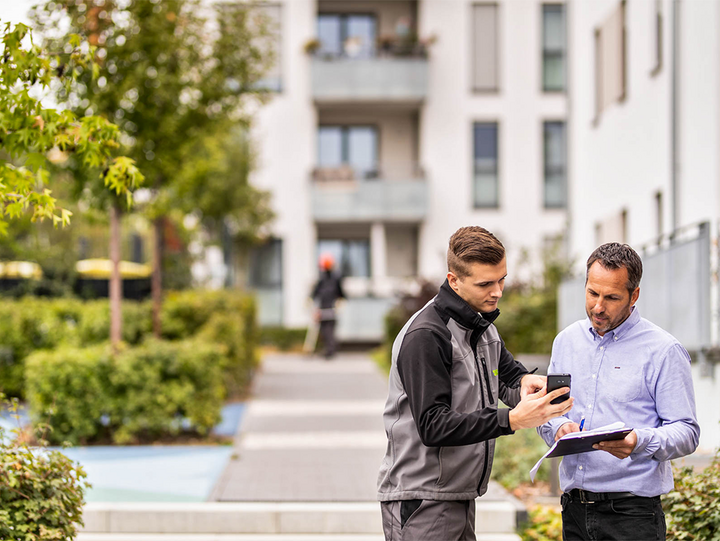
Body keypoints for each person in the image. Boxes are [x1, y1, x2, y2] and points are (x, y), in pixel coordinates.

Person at [377, 226, 574, 540]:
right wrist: (511, 419)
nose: (497, 291)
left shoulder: (481, 325)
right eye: (485, 283)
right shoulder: (427, 335)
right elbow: (433, 425)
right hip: (421, 500)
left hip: (457, 495)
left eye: (502, 280)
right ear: (454, 280)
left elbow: (509, 378)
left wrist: (528, 385)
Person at [538, 243, 700, 541]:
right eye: (592, 294)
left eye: (612, 297)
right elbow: (548, 412)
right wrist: (559, 427)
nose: (598, 307)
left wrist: (639, 440)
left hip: (632, 516)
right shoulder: (566, 342)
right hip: (573, 510)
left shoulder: (663, 351)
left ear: (633, 295)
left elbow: (687, 433)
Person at [311, 253, 345, 359]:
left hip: (331, 308)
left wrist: (341, 301)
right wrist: (311, 299)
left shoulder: (336, 278)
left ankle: (330, 350)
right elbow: (315, 292)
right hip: (322, 309)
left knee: (330, 330)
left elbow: (340, 292)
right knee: (324, 330)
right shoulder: (321, 278)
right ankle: (328, 349)